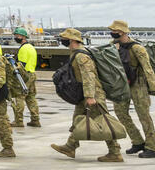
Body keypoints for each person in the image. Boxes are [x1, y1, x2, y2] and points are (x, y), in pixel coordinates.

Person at [52, 28, 124, 162]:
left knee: (103, 123)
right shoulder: (76, 53)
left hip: (93, 94)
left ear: (72, 40)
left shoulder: (81, 56)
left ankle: (115, 152)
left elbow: (88, 76)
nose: (62, 41)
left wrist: (90, 96)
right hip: (85, 94)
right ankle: (70, 146)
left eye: (65, 39)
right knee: (78, 120)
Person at [110, 20, 155, 158]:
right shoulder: (113, 46)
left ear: (122, 32)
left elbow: (148, 69)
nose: (112, 33)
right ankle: (137, 141)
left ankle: (152, 146)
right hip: (122, 84)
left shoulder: (137, 48)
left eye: (114, 31)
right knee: (120, 112)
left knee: (144, 115)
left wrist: (152, 87)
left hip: (138, 84)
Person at [10, 27, 40, 128]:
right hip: (32, 74)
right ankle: (35, 120)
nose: (15, 37)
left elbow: (21, 65)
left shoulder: (23, 48)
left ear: (23, 36)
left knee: (19, 97)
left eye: (17, 36)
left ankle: (18, 121)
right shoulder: (31, 47)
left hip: (24, 76)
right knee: (31, 98)